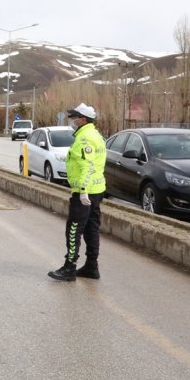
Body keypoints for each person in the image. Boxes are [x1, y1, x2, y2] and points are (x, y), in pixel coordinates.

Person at [48, 103, 107, 281]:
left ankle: (69, 267)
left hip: (85, 192)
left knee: (74, 229)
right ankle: (91, 266)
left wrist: (82, 191)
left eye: (75, 117)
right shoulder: (94, 134)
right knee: (91, 228)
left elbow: (87, 166)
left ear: (83, 119)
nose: (72, 120)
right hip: (96, 190)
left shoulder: (85, 138)